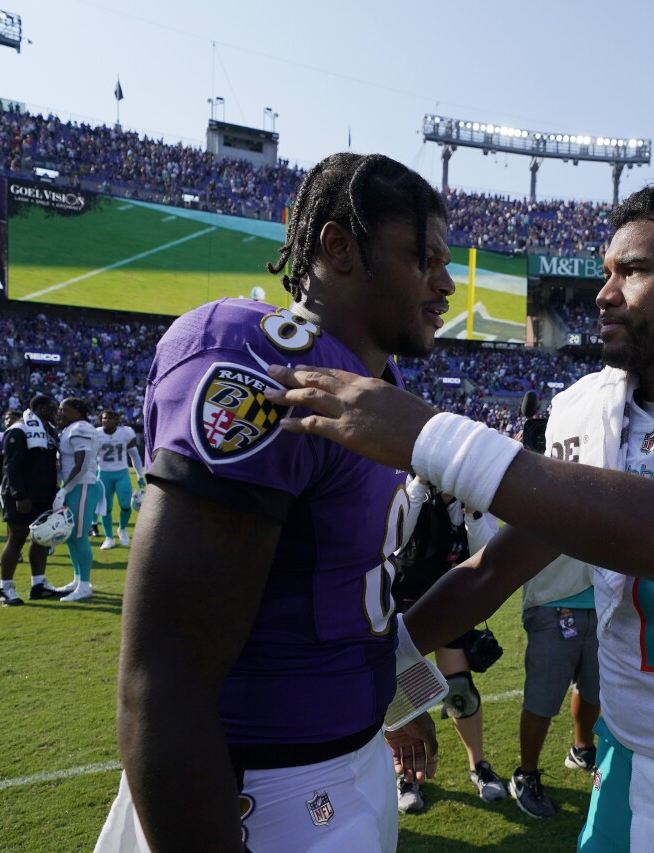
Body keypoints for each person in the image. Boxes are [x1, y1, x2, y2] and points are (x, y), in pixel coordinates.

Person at [269, 182, 654, 851]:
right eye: (606, 272)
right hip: (628, 764)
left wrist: (432, 437)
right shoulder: (586, 410)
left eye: (635, 270)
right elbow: (493, 570)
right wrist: (383, 683)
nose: (605, 292)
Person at [96, 152, 454, 852]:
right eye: (422, 256)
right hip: (258, 791)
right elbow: (163, 680)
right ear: (339, 247)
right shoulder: (266, 362)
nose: (444, 282)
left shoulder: (379, 387)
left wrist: (396, 699)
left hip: (353, 764)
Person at [390, 480, 503, 814]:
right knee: (403, 693)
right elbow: (396, 538)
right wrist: (422, 483)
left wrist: (473, 512)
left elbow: (489, 553)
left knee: (459, 690)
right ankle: (408, 776)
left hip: (449, 604)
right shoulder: (412, 487)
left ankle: (478, 765)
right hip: (404, 603)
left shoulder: (473, 496)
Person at [509, 547, 601, 819]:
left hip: (603, 602)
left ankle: (582, 749)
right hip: (552, 602)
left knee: (595, 690)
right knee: (543, 698)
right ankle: (526, 774)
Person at [0, 395, 67, 606]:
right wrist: (20, 495)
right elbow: (12, 465)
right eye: (53, 408)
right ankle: (4, 588)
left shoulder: (49, 431)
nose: (56, 412)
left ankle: (39, 585)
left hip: (44, 495)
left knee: (42, 539)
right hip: (22, 495)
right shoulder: (19, 429)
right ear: (41, 407)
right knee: (16, 538)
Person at [53, 398, 103, 602]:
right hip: (77, 487)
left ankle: (85, 585)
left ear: (77, 411)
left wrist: (65, 490)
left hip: (82, 486)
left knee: (80, 535)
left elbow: (81, 465)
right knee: (71, 535)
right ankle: (77, 580)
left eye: (64, 410)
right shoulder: (72, 427)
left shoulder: (80, 428)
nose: (60, 413)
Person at [95, 409, 145, 550]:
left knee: (125, 505)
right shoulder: (96, 434)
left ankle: (122, 529)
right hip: (104, 474)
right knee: (106, 508)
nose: (106, 421)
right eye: (104, 418)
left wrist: (140, 475)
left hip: (121, 473)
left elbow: (134, 455)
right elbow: (91, 457)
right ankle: (109, 537)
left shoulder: (125, 433)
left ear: (117, 420)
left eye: (110, 418)